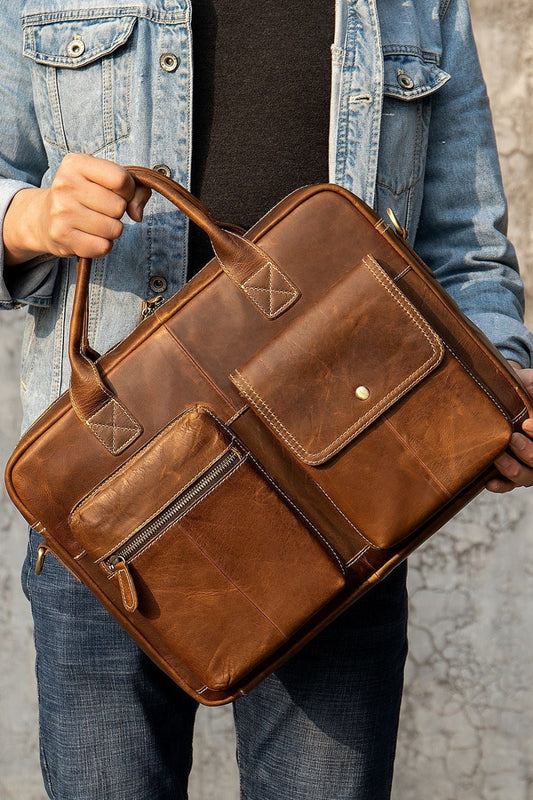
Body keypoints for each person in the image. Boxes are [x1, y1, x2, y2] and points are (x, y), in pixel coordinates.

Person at [2, 1, 533, 798]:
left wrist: (493, 387)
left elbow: (465, 250)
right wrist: (30, 217)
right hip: (108, 520)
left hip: (344, 507)